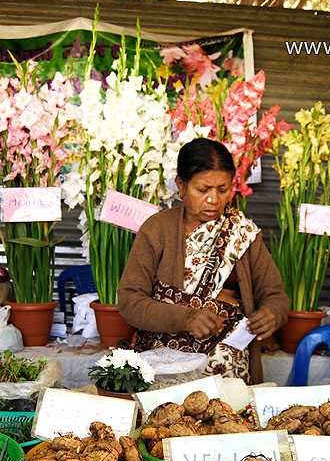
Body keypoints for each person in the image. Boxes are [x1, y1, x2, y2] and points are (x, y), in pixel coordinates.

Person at [117, 138, 289, 384]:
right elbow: (130, 300)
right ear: (181, 185)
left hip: (229, 374)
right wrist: (186, 318)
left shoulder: (243, 233)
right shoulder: (157, 229)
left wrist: (272, 313)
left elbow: (275, 295)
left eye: (223, 189)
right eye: (203, 189)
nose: (214, 199)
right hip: (164, 369)